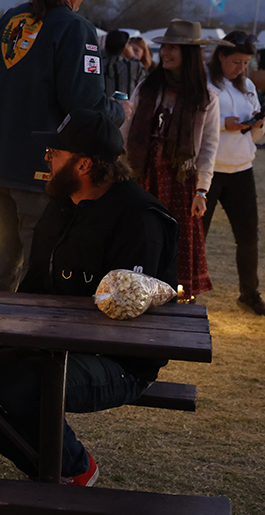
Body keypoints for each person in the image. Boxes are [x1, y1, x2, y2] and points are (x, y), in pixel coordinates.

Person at [0, 109, 178, 485]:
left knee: (22, 384)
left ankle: (72, 468)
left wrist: (26, 347)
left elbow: (125, 321)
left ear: (85, 164)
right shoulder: (63, 206)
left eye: (54, 154)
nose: (46, 160)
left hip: (119, 360)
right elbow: (36, 284)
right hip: (50, 342)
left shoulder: (138, 220)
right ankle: (43, 465)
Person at [0, 0, 125, 292]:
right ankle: (29, 343)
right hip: (39, 169)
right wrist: (119, 110)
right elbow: (86, 106)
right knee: (39, 267)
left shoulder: (8, 20)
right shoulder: (74, 28)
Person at [122, 20, 221, 302]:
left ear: (188, 53)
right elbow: (127, 130)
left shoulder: (206, 97)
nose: (165, 52)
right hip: (144, 173)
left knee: (176, 240)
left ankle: (176, 299)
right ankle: (137, 293)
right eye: (164, 46)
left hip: (181, 180)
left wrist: (202, 190)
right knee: (142, 235)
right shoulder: (148, 87)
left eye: (173, 47)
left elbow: (208, 147)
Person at [205, 30, 265, 315]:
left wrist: (256, 126)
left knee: (248, 235)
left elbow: (256, 137)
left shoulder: (248, 86)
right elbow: (194, 120)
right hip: (209, 169)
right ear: (221, 56)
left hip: (241, 168)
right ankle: (184, 290)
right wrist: (221, 125)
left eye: (245, 63)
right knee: (196, 234)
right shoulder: (205, 83)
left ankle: (249, 293)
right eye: (236, 62)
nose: (241, 68)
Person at [102, 28, 145, 99]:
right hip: (127, 107)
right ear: (125, 48)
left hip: (102, 108)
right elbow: (145, 79)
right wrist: (133, 57)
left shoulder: (98, 63)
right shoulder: (133, 66)